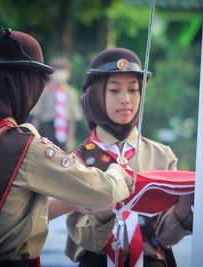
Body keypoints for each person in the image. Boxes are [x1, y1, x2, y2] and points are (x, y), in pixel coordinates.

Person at [0, 28, 133, 267]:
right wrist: (116, 172)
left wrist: (70, 203)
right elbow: (101, 192)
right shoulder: (24, 148)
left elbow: (7, 215)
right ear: (20, 85)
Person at [65, 48, 194, 267]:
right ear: (96, 96)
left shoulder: (162, 155)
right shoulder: (77, 160)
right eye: (114, 90)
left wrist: (185, 206)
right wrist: (104, 214)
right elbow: (86, 240)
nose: (126, 100)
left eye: (134, 90)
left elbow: (165, 238)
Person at [29, 57, 82, 151]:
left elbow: (72, 120)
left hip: (64, 130)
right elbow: (36, 116)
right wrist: (35, 137)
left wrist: (70, 140)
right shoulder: (44, 91)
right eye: (56, 70)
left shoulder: (71, 93)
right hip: (47, 128)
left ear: (68, 73)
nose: (59, 74)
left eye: (63, 70)